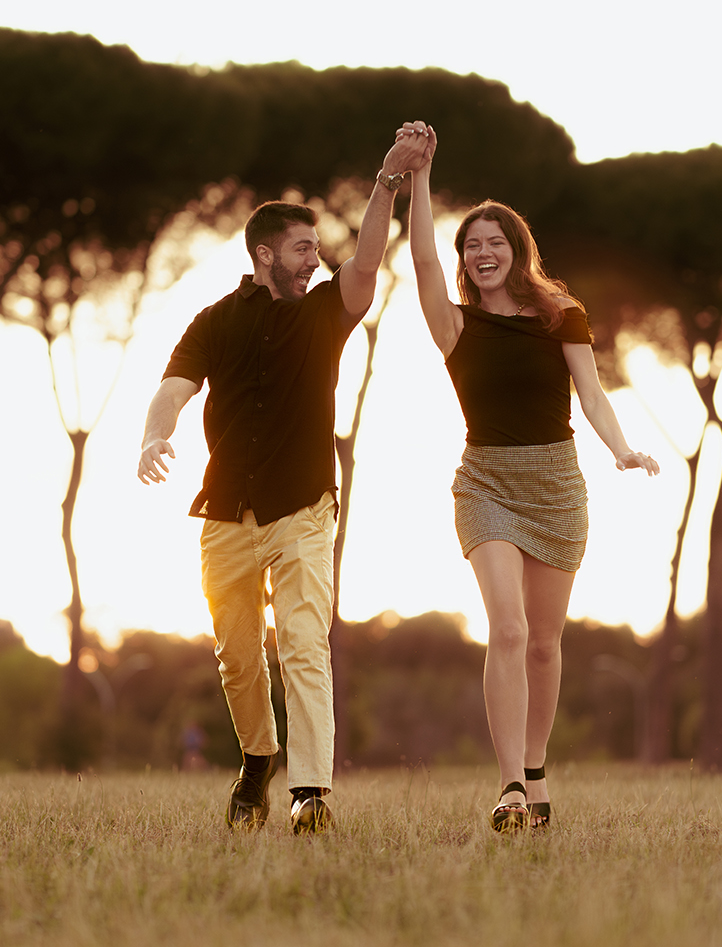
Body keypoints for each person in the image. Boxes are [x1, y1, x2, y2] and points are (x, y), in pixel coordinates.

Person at [139, 128, 431, 834]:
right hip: (225, 514)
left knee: (304, 642)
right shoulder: (214, 322)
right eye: (303, 248)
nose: (316, 259)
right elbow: (173, 388)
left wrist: (387, 182)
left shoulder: (325, 312)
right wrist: (155, 432)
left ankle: (311, 794)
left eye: (317, 249)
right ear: (266, 254)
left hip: (305, 508)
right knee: (239, 660)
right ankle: (257, 760)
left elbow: (366, 258)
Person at [406, 123, 660, 830]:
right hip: (484, 484)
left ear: (518, 251)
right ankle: (511, 785)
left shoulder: (561, 316)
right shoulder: (454, 325)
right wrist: (420, 177)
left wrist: (621, 448)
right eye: (472, 245)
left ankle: (538, 768)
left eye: (496, 242)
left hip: (556, 485)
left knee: (546, 644)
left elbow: (593, 392)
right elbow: (422, 260)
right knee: (509, 630)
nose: (482, 253)